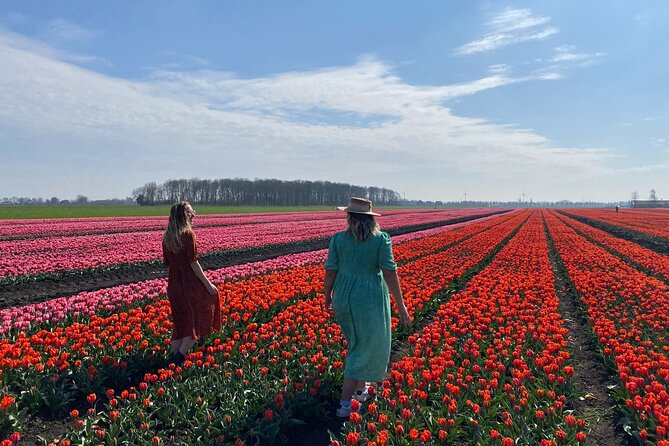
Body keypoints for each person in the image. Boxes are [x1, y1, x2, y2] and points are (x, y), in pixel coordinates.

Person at [324, 197, 411, 419]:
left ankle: (361, 389)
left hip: (343, 296)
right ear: (371, 219)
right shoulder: (380, 240)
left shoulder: (337, 240)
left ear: (349, 216)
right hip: (369, 297)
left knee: (357, 342)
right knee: (364, 346)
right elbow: (389, 272)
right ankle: (344, 405)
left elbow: (331, 270)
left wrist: (327, 295)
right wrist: (401, 306)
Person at [162, 201, 221, 365]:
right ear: (183, 216)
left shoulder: (166, 238)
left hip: (174, 286)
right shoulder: (188, 235)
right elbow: (193, 263)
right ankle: (179, 358)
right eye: (189, 212)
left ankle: (172, 359)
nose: (193, 215)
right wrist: (208, 285)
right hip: (190, 285)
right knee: (198, 319)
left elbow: (168, 263)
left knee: (181, 323)